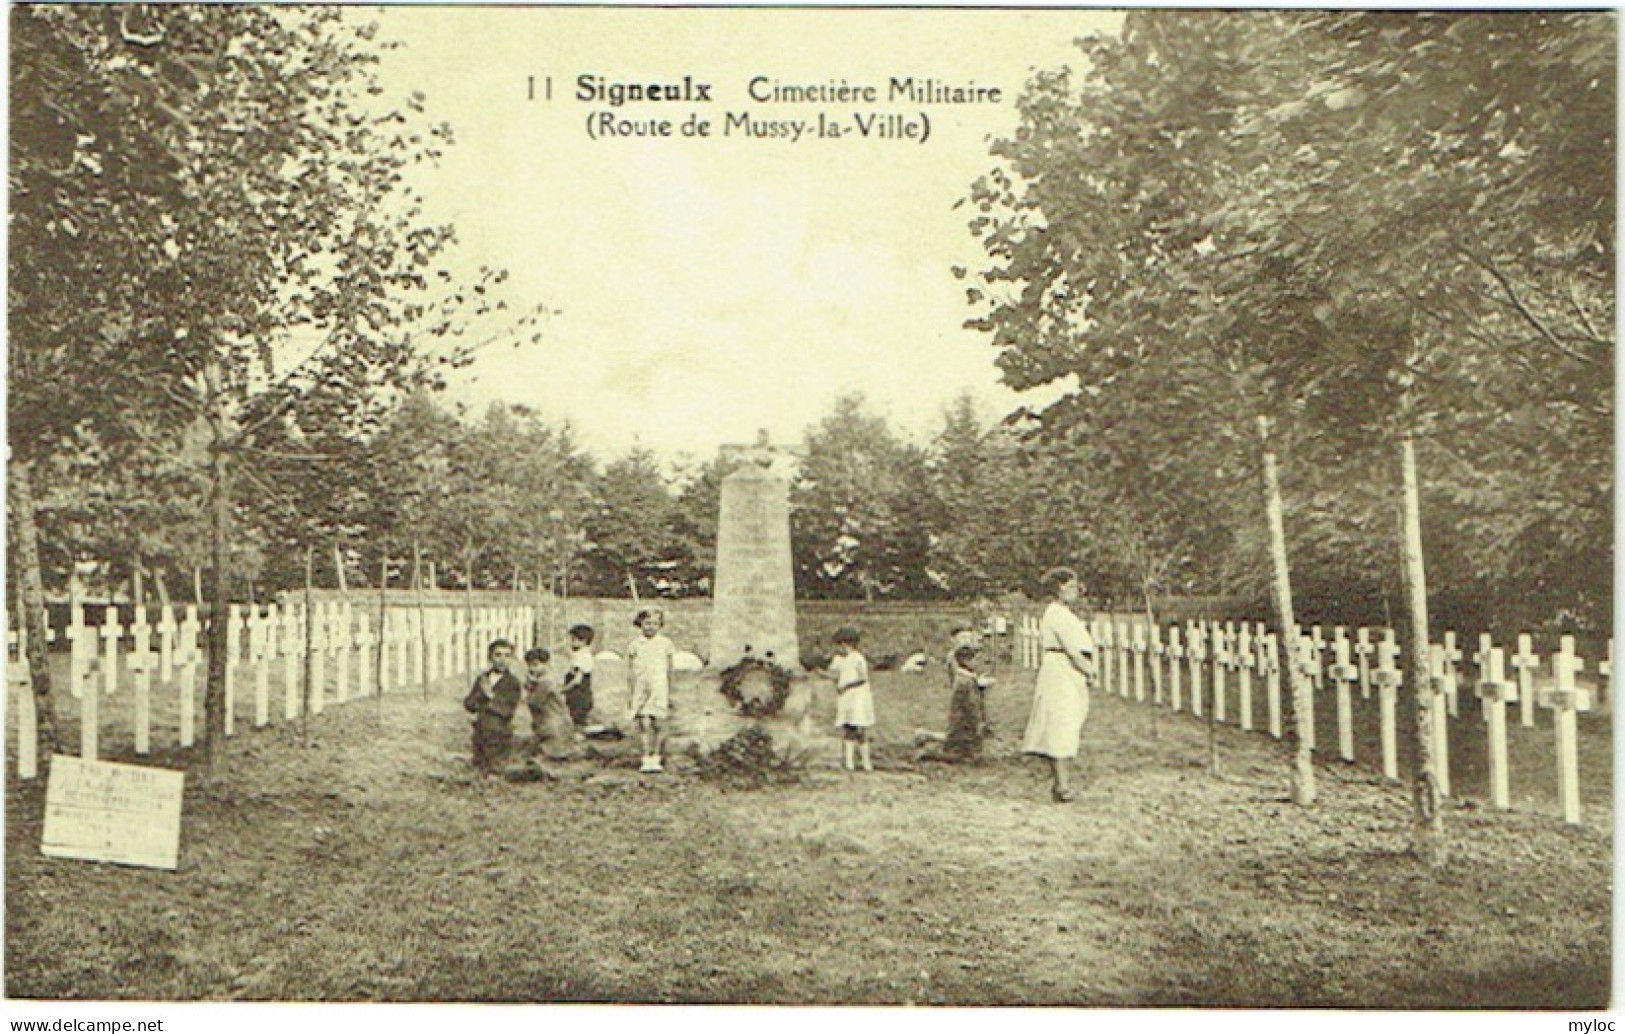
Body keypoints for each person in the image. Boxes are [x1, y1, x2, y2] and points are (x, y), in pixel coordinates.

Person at [1021, 567, 1096, 802]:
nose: (1076, 592)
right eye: (1071, 586)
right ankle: (1061, 786)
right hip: (1062, 671)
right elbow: (1072, 650)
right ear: (1058, 588)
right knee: (1061, 724)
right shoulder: (1057, 614)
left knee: (1067, 723)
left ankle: (1059, 783)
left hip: (1067, 672)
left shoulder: (1064, 613)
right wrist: (1089, 671)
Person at [626, 607, 677, 773]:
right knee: (644, 723)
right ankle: (645, 758)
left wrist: (670, 691)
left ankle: (657, 757)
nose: (651, 627)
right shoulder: (635, 645)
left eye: (655, 623)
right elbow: (631, 672)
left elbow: (669, 670)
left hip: (659, 687)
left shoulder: (665, 644)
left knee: (659, 722)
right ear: (640, 624)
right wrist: (631, 693)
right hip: (641, 687)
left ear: (660, 625)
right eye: (647, 623)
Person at [463, 639, 523, 771]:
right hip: (480, 732)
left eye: (507, 656)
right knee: (478, 767)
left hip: (499, 734)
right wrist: (477, 698)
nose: (502, 660)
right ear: (490, 657)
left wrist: (490, 695)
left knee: (495, 768)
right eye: (498, 655)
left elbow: (507, 710)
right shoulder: (483, 679)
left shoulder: (513, 683)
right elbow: (469, 703)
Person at [824, 625, 874, 772]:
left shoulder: (858, 659)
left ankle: (866, 762)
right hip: (847, 698)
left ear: (846, 644)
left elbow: (863, 678)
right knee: (848, 727)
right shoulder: (841, 660)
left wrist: (846, 685)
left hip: (858, 696)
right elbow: (836, 675)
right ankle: (849, 762)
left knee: (859, 728)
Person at [942, 631, 994, 762]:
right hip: (964, 733)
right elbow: (973, 711)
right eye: (977, 658)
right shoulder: (965, 682)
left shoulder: (965, 679)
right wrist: (982, 726)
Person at [524, 647, 577, 760]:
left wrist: (529, 692)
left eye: (536, 665)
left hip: (553, 726)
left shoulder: (546, 682)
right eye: (530, 665)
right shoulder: (544, 680)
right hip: (554, 723)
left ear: (546, 664)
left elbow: (534, 702)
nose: (532, 669)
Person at [562, 624, 596, 729]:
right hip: (574, 695)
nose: (571, 642)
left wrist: (563, 689)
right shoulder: (578, 654)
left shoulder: (583, 656)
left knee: (579, 722)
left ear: (583, 641)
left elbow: (577, 680)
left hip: (579, 695)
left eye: (574, 639)